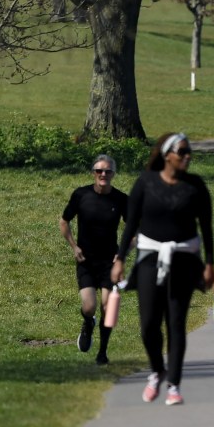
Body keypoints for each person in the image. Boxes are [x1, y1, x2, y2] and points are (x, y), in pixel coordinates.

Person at [111, 133, 214, 407]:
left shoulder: (195, 186)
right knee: (148, 325)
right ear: (167, 155)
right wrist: (120, 259)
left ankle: (174, 385)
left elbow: (206, 227)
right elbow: (131, 223)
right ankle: (158, 370)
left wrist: (210, 264)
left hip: (184, 260)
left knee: (176, 323)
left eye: (189, 151)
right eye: (182, 152)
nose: (187, 156)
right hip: (150, 259)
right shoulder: (146, 183)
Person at [59, 154, 129, 365]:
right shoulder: (81, 195)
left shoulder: (121, 199)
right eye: (99, 171)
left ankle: (102, 352)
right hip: (86, 261)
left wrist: (123, 253)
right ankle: (88, 323)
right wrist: (74, 246)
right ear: (93, 173)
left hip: (110, 263)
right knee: (89, 306)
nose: (103, 175)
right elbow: (64, 222)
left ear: (113, 174)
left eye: (107, 171)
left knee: (109, 308)